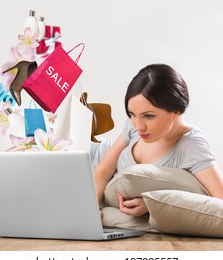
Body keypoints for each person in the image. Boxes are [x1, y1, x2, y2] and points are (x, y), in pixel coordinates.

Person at [94, 64, 223, 217]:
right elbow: (102, 171)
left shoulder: (191, 145)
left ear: (176, 111)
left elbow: (218, 201)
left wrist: (153, 204)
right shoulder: (134, 125)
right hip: (89, 163)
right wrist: (92, 211)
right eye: (132, 114)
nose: (139, 126)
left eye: (149, 116)